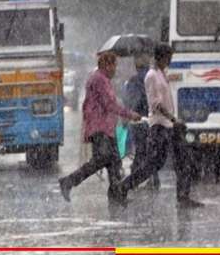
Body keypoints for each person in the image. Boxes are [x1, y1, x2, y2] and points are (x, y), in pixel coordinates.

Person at [112, 43, 204, 209]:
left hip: (169, 125)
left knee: (183, 160)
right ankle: (122, 187)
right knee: (152, 165)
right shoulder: (152, 76)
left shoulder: (162, 74)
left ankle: (183, 196)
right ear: (161, 57)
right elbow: (156, 104)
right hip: (159, 126)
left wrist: (174, 120)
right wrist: (173, 119)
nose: (170, 61)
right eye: (168, 58)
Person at [58, 52, 141, 202]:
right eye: (114, 66)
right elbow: (109, 104)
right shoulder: (99, 80)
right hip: (100, 128)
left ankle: (116, 195)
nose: (115, 70)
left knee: (114, 162)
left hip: (107, 128)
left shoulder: (102, 79)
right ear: (106, 65)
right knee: (101, 159)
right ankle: (69, 181)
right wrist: (129, 114)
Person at [122, 53, 159, 190]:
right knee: (152, 151)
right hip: (153, 119)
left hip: (139, 120)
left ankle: (134, 180)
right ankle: (154, 179)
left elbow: (132, 100)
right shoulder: (153, 77)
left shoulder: (134, 80)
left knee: (140, 151)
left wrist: (130, 113)